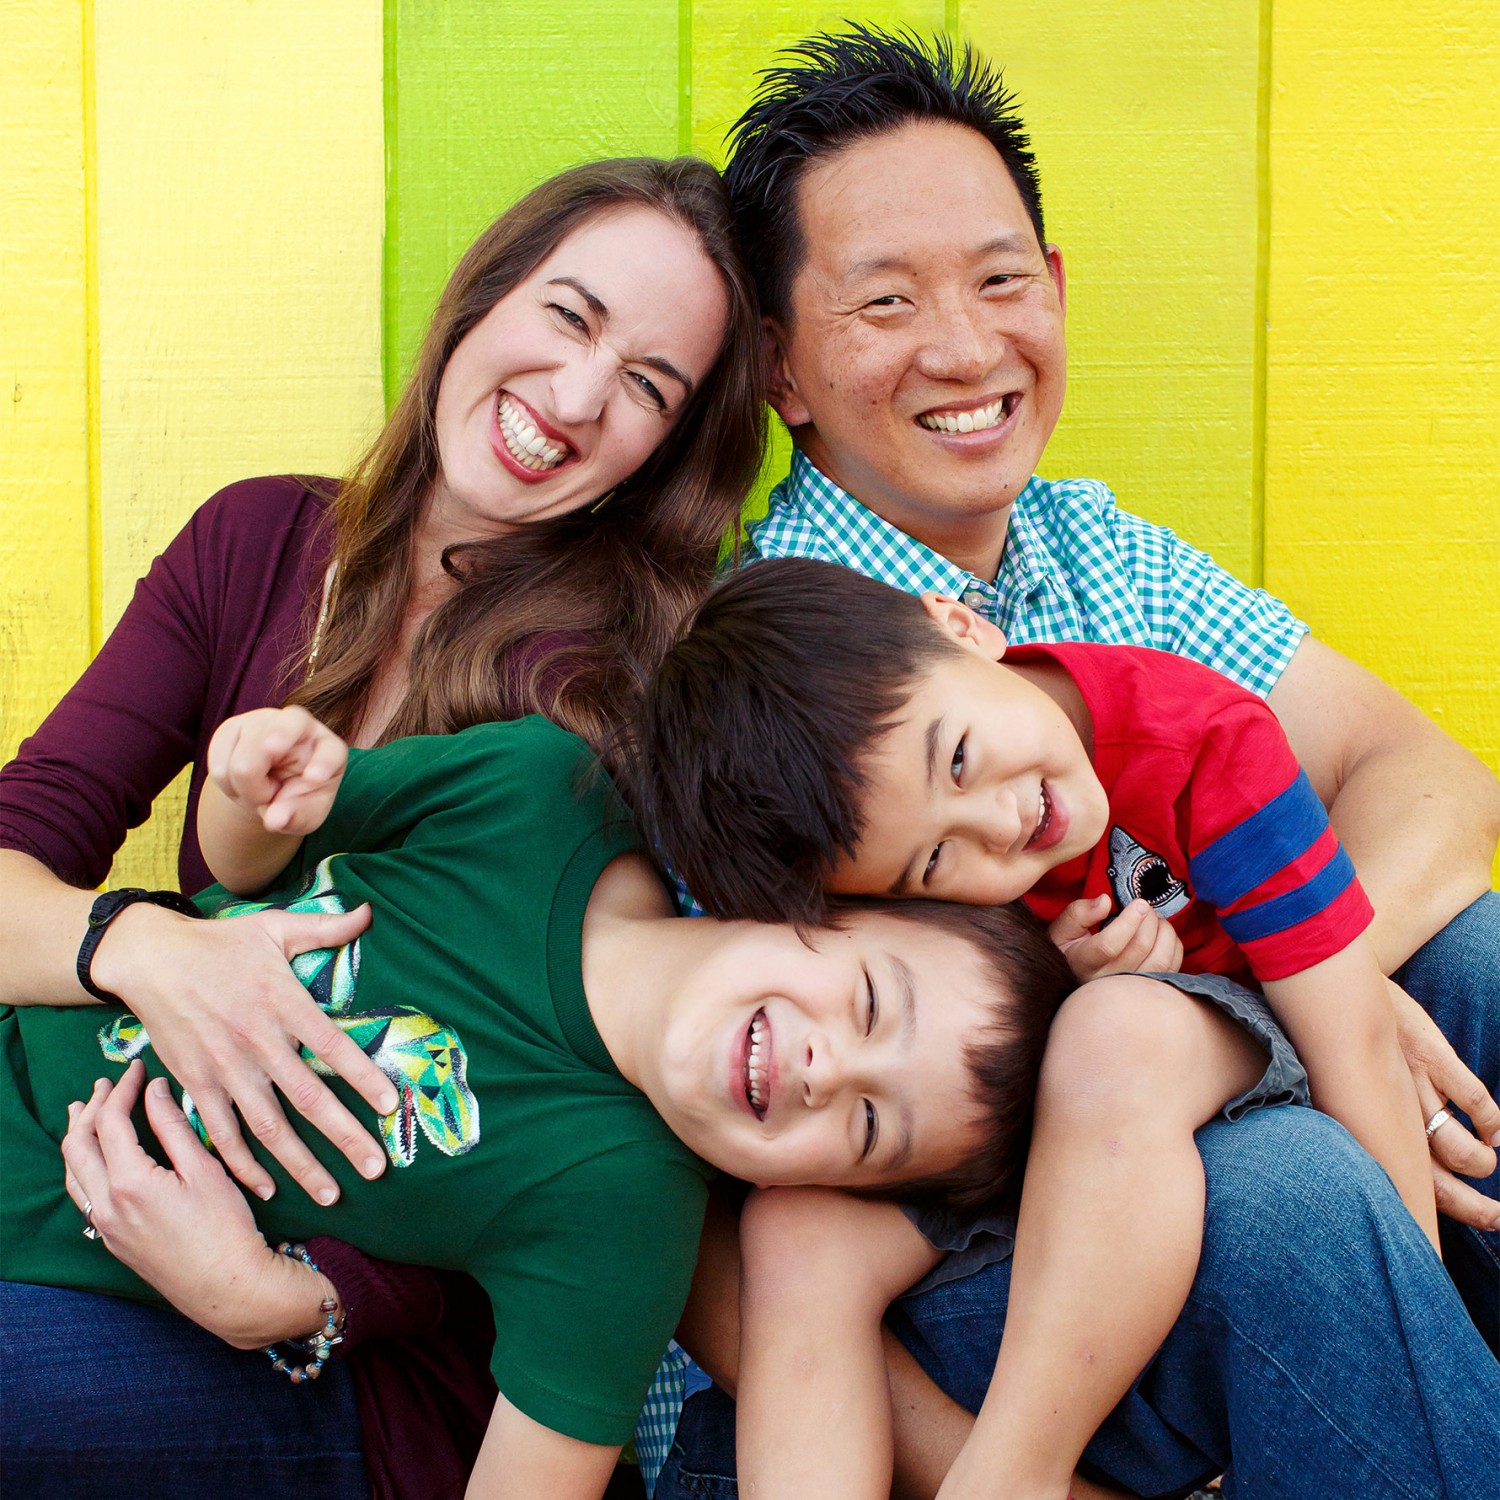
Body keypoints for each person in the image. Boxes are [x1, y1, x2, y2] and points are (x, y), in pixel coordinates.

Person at [646, 26, 1500, 1500]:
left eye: (999, 281)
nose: (967, 349)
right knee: (1287, 1197)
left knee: (1476, 968)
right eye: (887, 302)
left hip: (1166, 1112)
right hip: (945, 1287)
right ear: (780, 366)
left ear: (1054, 284)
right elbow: (717, 1236)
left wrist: (1306, 988)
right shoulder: (766, 707)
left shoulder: (1096, 553)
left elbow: (1428, 779)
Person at [0, 155, 763, 1495]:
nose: (576, 399)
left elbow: (565, 1144)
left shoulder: (627, 693)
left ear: (670, 449)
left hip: (347, 1357)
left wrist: (293, 1296)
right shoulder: (256, 542)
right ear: (482, 297)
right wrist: (147, 948)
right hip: (85, 1172)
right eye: (569, 316)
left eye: (649, 386)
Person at [1, 702, 1076, 1500]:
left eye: (869, 1128)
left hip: (50, 1253)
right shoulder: (541, 790)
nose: (825, 1069)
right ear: (814, 901)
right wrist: (250, 795)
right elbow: (254, 856)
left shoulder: (623, 1219)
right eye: (871, 1003)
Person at [632, 555, 1498, 1497]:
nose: (998, 822)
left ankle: (1016, 1472)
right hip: (1001, 1106)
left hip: (1209, 1029)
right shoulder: (881, 829)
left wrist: (1415, 1312)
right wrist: (1052, 973)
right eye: (935, 862)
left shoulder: (1202, 741)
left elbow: (1354, 1038)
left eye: (958, 760)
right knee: (800, 1236)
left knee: (1119, 1029)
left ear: (963, 626)